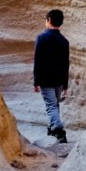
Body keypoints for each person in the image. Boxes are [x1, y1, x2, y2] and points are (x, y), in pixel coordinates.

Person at [33, 9, 69, 144]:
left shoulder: (41, 38)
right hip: (59, 80)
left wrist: (36, 81)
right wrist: (65, 85)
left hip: (46, 80)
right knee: (55, 106)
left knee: (51, 106)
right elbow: (66, 64)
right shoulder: (64, 41)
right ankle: (52, 131)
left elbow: (38, 61)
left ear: (48, 20)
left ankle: (59, 130)